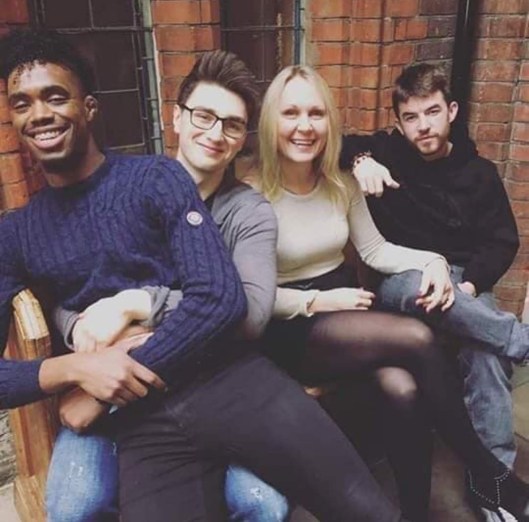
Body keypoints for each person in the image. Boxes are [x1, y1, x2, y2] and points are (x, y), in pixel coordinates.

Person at [0, 29, 415, 522]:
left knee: (363, 509)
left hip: (227, 379)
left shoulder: (157, 179)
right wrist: (76, 371)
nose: (40, 114)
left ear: (89, 107)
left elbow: (219, 298)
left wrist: (116, 367)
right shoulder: (16, 234)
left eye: (55, 97)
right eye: (22, 103)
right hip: (143, 422)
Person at [48, 48, 288, 522]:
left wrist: (136, 304)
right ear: (176, 117)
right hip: (109, 381)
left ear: (242, 139)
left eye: (232, 125)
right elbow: (61, 284)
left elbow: (247, 314)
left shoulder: (248, 212)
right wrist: (80, 329)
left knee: (264, 504)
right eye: (204, 116)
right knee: (75, 505)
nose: (215, 134)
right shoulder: (120, 188)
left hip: (209, 379)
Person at [339, 62, 527, 521]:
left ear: (452, 111)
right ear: (399, 122)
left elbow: (502, 241)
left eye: (432, 112)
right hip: (402, 278)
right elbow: (337, 143)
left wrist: (468, 286)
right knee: (420, 288)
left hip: (465, 283)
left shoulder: (480, 173)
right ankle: (520, 339)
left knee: (486, 356)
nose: (422, 126)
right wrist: (361, 161)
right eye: (411, 117)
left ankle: (492, 485)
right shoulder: (387, 151)